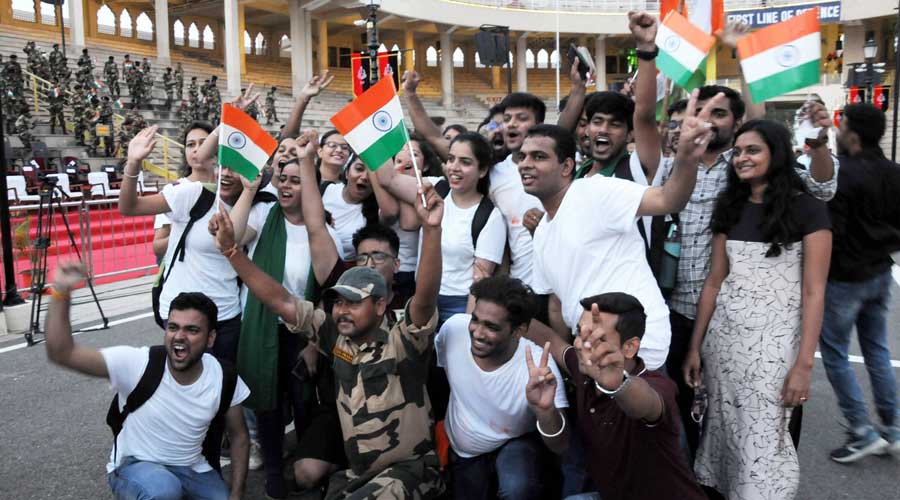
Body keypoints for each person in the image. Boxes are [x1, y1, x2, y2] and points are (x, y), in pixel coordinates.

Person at [212, 173, 446, 500]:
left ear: (380, 305)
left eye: (354, 302)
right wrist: (232, 252)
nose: (342, 310)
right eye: (338, 302)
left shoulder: (403, 336)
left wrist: (432, 231)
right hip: (359, 473)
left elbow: (424, 297)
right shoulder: (333, 332)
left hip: (410, 471)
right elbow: (280, 300)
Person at [683, 120, 832, 499]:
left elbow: (815, 292)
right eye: (739, 151)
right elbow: (714, 282)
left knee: (765, 443)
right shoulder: (729, 206)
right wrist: (695, 347)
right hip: (724, 345)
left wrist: (804, 365)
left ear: (776, 154)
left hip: (775, 350)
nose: (742, 158)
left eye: (754, 150)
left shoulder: (808, 210)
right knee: (724, 436)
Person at [44, 263, 250, 500]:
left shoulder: (223, 376)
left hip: (191, 468)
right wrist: (60, 292)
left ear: (211, 338)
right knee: (163, 491)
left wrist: (237, 494)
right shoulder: (138, 363)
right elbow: (62, 352)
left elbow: (239, 436)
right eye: (173, 327)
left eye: (192, 330)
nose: (179, 336)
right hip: (135, 465)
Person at [238, 132, 346, 499]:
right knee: (266, 405)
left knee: (304, 404)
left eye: (295, 179)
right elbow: (232, 239)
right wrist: (250, 191)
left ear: (310, 187)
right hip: (261, 330)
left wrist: (315, 345)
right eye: (281, 178)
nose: (285, 185)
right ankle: (272, 470)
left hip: (304, 335)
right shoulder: (262, 216)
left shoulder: (325, 233)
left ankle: (305, 466)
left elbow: (329, 294)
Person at [525, 292, 706, 500]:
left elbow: (646, 404)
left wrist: (618, 384)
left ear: (630, 348)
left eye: (597, 339)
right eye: (580, 333)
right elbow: (552, 340)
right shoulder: (586, 368)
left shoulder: (658, 386)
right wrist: (545, 412)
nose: (582, 344)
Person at [118, 125, 270, 364]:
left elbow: (233, 240)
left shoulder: (258, 209)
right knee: (182, 384)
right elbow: (129, 207)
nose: (228, 174)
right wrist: (133, 163)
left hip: (224, 315)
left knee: (220, 387)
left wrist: (249, 191)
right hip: (180, 314)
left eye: (237, 169)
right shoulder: (191, 193)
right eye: (223, 166)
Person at [401, 72, 544, 285]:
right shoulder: (495, 171)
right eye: (507, 119)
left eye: (521, 119)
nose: (511, 125)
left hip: (555, 283)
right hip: (519, 282)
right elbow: (433, 137)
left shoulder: (561, 168)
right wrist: (410, 94)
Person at [437, 275, 568, 499]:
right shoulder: (453, 331)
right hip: (465, 453)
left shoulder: (538, 368)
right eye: (475, 320)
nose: (477, 332)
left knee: (518, 487)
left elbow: (561, 445)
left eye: (491, 327)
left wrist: (545, 411)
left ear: (518, 331)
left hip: (515, 443)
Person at [819, 103, 900, 462]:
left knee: (835, 354)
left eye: (842, 124)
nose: (839, 129)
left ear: (851, 134)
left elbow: (829, 229)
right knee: (877, 349)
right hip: (880, 271)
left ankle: (861, 430)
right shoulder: (894, 172)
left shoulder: (843, 174)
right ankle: (893, 427)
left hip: (844, 277)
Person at [377, 132, 507, 324]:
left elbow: (479, 283)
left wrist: (466, 327)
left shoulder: (490, 217)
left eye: (465, 162)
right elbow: (388, 179)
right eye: (451, 159)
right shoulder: (434, 188)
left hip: (457, 306)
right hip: (422, 297)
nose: (454, 167)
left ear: (482, 170)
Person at [321, 153, 398, 261]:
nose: (365, 177)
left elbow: (390, 214)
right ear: (347, 173)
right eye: (359, 169)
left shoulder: (375, 213)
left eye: (372, 174)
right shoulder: (325, 189)